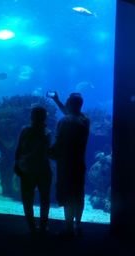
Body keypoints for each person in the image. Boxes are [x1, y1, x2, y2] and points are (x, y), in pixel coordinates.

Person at [49, 93, 90, 237]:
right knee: (78, 195)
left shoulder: (64, 122)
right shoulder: (85, 120)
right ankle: (78, 224)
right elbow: (71, 113)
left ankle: (68, 228)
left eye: (67, 102)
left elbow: (58, 142)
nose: (65, 104)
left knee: (67, 195)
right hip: (79, 164)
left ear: (71, 104)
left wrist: (49, 152)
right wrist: (57, 101)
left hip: (65, 165)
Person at [14, 106, 52, 235]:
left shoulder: (25, 130)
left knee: (27, 199)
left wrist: (17, 164)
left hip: (27, 169)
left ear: (31, 117)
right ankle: (43, 226)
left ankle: (31, 226)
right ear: (45, 117)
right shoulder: (48, 133)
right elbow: (48, 152)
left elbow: (18, 149)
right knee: (44, 199)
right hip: (43, 170)